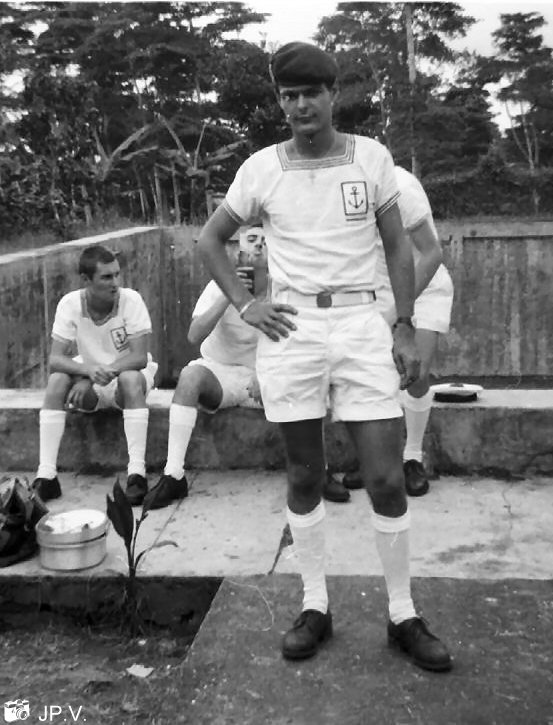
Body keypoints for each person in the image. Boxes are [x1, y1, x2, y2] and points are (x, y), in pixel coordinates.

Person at [197, 41, 452, 672]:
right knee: (305, 474)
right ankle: (315, 605)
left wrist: (402, 325)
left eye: (311, 92)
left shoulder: (371, 157)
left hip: (362, 324)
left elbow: (399, 246)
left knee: (386, 477)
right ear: (280, 100)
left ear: (333, 94)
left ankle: (402, 613)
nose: (300, 105)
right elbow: (211, 240)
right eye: (289, 95)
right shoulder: (261, 168)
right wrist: (247, 304)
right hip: (294, 330)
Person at [324, 166, 453, 502]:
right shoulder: (335, 191)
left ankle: (413, 457)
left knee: (416, 372)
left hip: (425, 284)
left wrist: (399, 315)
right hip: (378, 287)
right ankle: (378, 460)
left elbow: (433, 254)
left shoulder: (402, 189)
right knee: (371, 374)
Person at [143, 228, 267, 510]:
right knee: (190, 376)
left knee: (312, 379)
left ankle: (319, 473)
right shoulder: (218, 286)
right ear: (239, 250)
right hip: (221, 372)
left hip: (263, 375)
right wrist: (228, 295)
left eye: (265, 241)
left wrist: (266, 373)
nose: (259, 245)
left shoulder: (282, 289)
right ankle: (173, 474)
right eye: (252, 240)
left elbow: (293, 342)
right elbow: (194, 335)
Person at [31, 245, 158, 505]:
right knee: (56, 381)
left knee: (130, 378)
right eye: (106, 277)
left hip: (126, 379)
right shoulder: (70, 304)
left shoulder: (131, 300)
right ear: (86, 280)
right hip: (93, 376)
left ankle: (136, 474)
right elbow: (55, 359)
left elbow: (139, 358)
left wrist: (94, 374)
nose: (115, 283)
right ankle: (47, 476)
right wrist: (86, 373)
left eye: (117, 274)